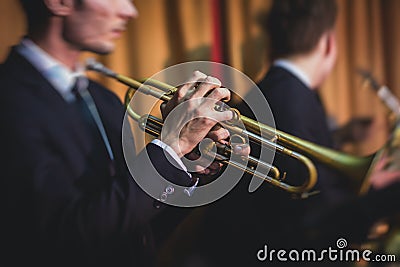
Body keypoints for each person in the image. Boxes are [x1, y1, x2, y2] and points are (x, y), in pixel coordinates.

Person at [0, 1, 242, 266]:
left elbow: (134, 230)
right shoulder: (9, 99)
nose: (130, 11)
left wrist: (186, 163)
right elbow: (65, 237)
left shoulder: (102, 98)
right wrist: (174, 144)